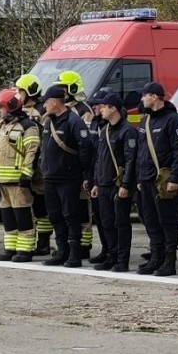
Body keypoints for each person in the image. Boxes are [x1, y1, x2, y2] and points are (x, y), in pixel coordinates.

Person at [135, 82, 178, 277]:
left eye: (144, 95)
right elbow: (141, 152)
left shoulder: (173, 120)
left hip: (164, 181)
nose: (142, 99)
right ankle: (156, 257)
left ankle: (169, 261)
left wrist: (174, 178)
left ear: (153, 97)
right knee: (151, 221)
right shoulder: (146, 121)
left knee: (167, 222)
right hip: (146, 180)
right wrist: (139, 178)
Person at [39, 84, 94, 267]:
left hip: (68, 178)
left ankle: (74, 254)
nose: (44, 106)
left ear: (54, 102)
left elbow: (86, 149)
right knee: (55, 216)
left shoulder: (73, 121)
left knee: (71, 216)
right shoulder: (49, 122)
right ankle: (62, 251)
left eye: (46, 102)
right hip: (50, 178)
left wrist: (82, 172)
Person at [87, 88, 137, 272]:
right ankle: (111, 256)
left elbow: (131, 160)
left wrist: (126, 185)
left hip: (118, 185)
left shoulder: (127, 131)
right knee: (107, 223)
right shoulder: (105, 130)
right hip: (104, 184)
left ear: (113, 108)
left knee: (121, 224)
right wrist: (96, 183)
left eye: (104, 107)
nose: (100, 110)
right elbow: (99, 159)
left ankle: (122, 260)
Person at [0, 89, 40, 262]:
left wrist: (26, 175)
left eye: (1, 107)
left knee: (22, 215)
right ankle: (10, 248)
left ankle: (25, 250)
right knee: (8, 217)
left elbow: (32, 152)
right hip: (2, 180)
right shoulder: (2, 125)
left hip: (18, 181)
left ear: (10, 107)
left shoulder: (28, 126)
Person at [55, 71, 100, 261]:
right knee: (67, 209)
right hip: (65, 169)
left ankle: (84, 245)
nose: (61, 91)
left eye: (63, 88)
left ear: (72, 88)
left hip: (79, 167)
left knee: (82, 209)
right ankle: (69, 244)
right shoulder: (63, 109)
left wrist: (85, 169)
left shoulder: (84, 110)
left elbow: (86, 142)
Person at [16, 73, 51, 256]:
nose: (18, 94)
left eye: (21, 91)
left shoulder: (42, 111)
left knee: (40, 204)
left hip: (39, 164)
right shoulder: (19, 110)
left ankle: (44, 242)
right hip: (22, 163)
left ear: (30, 92)